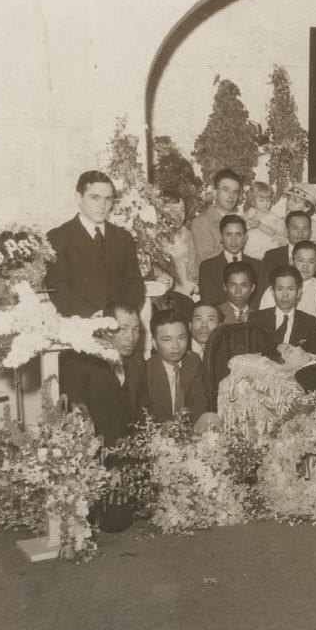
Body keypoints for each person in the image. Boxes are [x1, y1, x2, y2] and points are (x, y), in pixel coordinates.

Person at [45, 170, 145, 318]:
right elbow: (59, 288)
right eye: (95, 198)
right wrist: (96, 317)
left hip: (120, 326)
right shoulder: (58, 237)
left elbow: (135, 285)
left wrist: (119, 316)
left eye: (108, 199)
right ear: (78, 198)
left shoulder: (123, 238)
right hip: (81, 325)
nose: (103, 205)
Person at [59, 303, 145, 446]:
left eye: (136, 329)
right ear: (105, 330)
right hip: (94, 454)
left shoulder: (137, 361)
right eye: (123, 329)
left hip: (130, 453)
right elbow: (76, 418)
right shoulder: (80, 362)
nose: (131, 337)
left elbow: (142, 411)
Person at [143, 308, 207, 424]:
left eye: (181, 338)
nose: (176, 346)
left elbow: (198, 405)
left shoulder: (193, 361)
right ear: (154, 343)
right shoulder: (146, 371)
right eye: (167, 340)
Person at [198, 214, 268, 308]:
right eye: (228, 234)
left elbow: (261, 300)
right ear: (221, 237)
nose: (233, 240)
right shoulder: (207, 267)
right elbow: (208, 301)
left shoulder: (258, 266)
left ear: (245, 237)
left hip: (252, 319)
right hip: (221, 320)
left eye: (238, 234)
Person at [259, 240, 316, 324]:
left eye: (311, 262)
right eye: (300, 261)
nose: (305, 267)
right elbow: (264, 319)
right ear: (291, 261)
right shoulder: (277, 286)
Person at [251, 266, 316, 349]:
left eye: (290, 289)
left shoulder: (311, 323)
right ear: (272, 292)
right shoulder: (256, 318)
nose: (285, 295)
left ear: (298, 292)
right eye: (280, 289)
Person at [263, 210, 316, 284]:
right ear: (286, 231)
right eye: (295, 228)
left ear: (310, 233)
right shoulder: (271, 256)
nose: (300, 233)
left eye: (305, 229)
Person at [190, 168, 242, 262]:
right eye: (226, 190)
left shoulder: (241, 221)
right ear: (214, 193)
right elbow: (206, 261)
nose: (231, 196)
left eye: (235, 192)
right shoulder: (201, 222)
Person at [159, 188, 199, 300]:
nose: (179, 215)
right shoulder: (154, 237)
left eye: (182, 210)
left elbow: (194, 267)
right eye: (173, 210)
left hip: (188, 290)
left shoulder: (189, 235)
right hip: (163, 292)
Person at [243, 180, 287, 258]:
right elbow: (241, 229)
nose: (266, 204)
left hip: (266, 252)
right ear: (253, 201)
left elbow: (274, 233)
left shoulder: (272, 216)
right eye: (262, 200)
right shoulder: (249, 214)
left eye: (268, 200)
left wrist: (259, 225)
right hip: (251, 252)